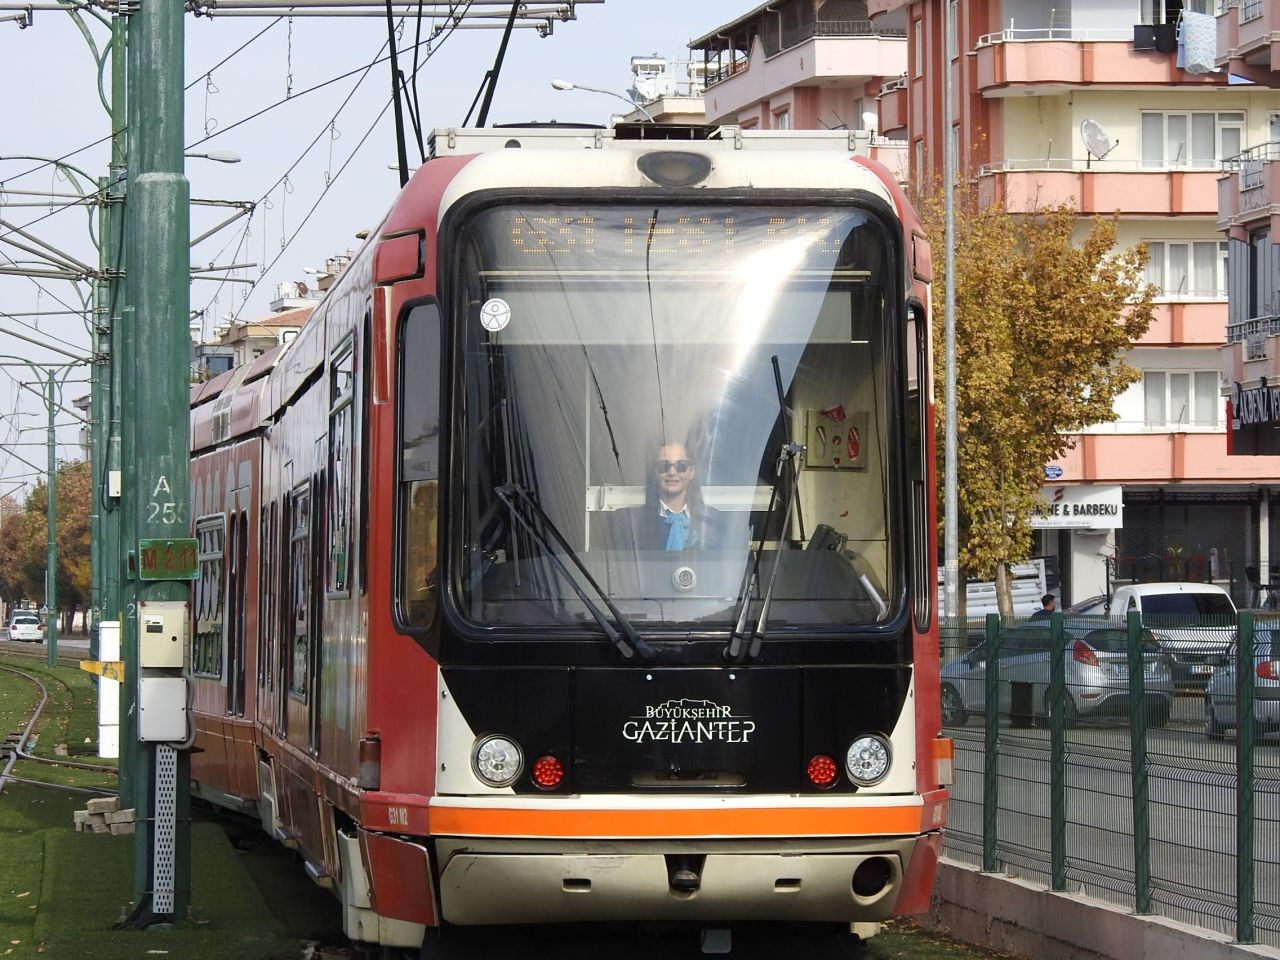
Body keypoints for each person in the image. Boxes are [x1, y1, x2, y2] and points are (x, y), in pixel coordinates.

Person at [635, 441, 725, 551]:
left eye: (681, 466)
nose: (672, 472)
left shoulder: (713, 522)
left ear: (692, 471)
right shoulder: (635, 523)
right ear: (655, 471)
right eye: (664, 466)